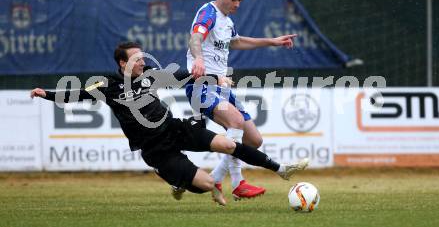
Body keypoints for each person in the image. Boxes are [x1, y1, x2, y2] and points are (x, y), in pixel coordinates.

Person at [31, 41, 308, 202]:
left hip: (174, 128)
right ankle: (172, 176)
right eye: (136, 58)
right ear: (121, 62)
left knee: (227, 144)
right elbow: (77, 94)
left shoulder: (151, 74)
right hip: (155, 149)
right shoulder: (107, 84)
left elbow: (184, 77)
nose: (142, 61)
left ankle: (279, 168)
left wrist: (215, 78)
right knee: (206, 186)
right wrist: (46, 94)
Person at [186, 0, 298, 205]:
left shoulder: (226, 21)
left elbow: (235, 42)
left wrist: (272, 41)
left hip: (222, 87)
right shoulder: (208, 13)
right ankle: (238, 183)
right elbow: (195, 38)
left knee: (254, 140)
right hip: (202, 84)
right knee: (236, 121)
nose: (237, 4)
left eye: (240, 0)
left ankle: (216, 179)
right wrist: (198, 59)